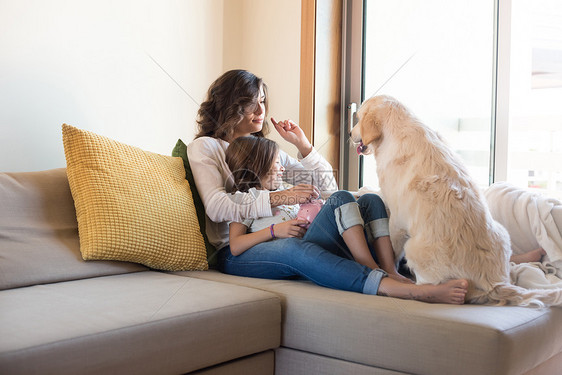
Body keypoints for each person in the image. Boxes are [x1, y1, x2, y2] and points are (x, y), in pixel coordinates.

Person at [187, 69, 468, 304]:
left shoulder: (266, 151)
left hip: (280, 233)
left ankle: (405, 269)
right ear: (230, 104)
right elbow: (216, 206)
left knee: (365, 201)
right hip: (237, 251)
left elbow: (327, 188)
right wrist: (281, 197)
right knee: (294, 250)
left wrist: (303, 146)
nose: (261, 110)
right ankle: (401, 289)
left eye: (263, 101)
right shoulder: (205, 147)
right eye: (252, 103)